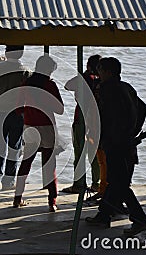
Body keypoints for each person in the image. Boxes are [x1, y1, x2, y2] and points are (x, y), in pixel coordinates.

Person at [85, 57, 146, 236]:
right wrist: (134, 130)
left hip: (115, 143)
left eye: (99, 69)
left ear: (107, 71)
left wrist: (100, 135)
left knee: (118, 183)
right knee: (116, 180)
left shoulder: (107, 88)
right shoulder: (126, 87)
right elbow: (143, 108)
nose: (97, 73)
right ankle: (103, 215)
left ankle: (140, 219)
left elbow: (104, 117)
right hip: (126, 141)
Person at [13, 55, 64, 212]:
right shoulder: (49, 85)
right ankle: (52, 202)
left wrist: (29, 112)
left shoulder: (26, 84)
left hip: (30, 127)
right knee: (49, 165)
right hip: (47, 127)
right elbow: (60, 109)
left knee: (26, 164)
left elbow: (17, 108)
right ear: (48, 70)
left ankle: (17, 199)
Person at [0, 45, 30, 190]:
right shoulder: (25, 71)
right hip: (18, 113)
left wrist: (0, 63)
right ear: (21, 53)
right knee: (15, 146)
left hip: (1, 111)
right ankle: (8, 180)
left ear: (6, 52)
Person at [62, 54, 102, 194]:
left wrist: (83, 74)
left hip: (82, 120)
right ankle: (97, 183)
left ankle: (79, 184)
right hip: (97, 121)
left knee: (80, 153)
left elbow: (67, 85)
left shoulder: (84, 79)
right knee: (95, 154)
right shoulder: (101, 82)